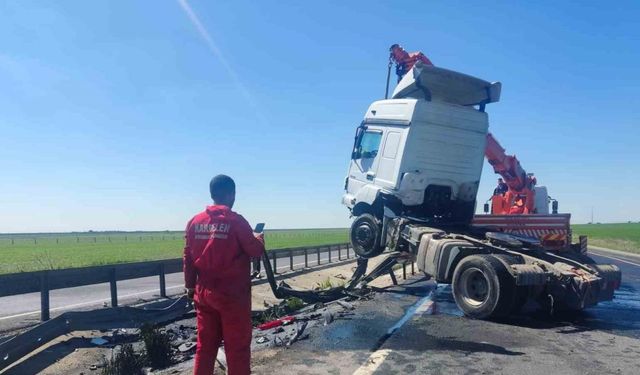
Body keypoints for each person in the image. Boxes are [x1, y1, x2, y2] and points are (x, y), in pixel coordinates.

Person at [183, 175, 265, 375]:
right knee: (237, 348)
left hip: (204, 294)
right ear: (231, 194)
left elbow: (188, 256)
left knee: (205, 347)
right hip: (232, 297)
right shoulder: (236, 221)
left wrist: (190, 286)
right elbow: (254, 250)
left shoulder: (195, 222)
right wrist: (259, 238)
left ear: (212, 194)